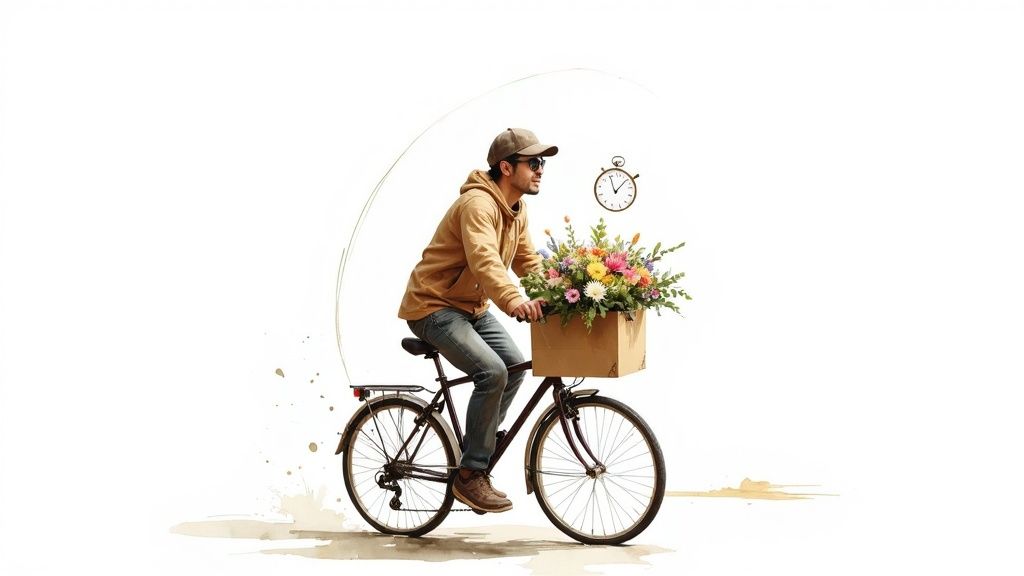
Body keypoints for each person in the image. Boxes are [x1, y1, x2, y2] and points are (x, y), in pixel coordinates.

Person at [398, 127, 557, 513]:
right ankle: (471, 474)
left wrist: (560, 293)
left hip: (471, 307)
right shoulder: (477, 205)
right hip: (433, 306)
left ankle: (477, 448)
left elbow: (526, 260)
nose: (540, 169)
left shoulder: (517, 209)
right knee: (492, 372)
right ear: (506, 167)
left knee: (514, 367)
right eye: (533, 162)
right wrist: (514, 301)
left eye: (542, 163)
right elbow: (484, 259)